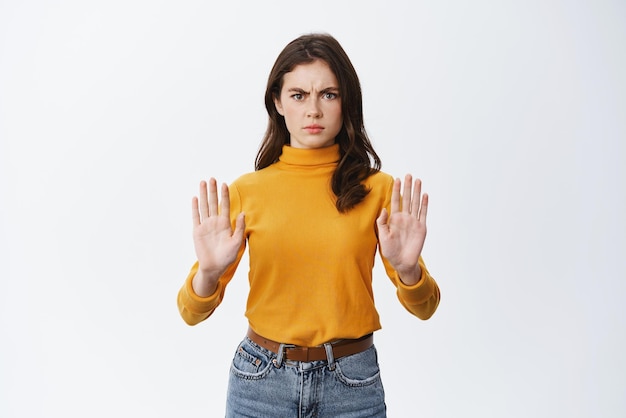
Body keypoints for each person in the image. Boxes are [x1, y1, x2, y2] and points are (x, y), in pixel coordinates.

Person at [177, 33, 440, 417]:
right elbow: (190, 312)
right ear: (278, 102)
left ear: (345, 101)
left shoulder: (379, 191)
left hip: (352, 384)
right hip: (260, 382)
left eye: (328, 94)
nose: (313, 110)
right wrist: (211, 273)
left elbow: (426, 308)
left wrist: (408, 269)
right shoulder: (246, 193)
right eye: (299, 95)